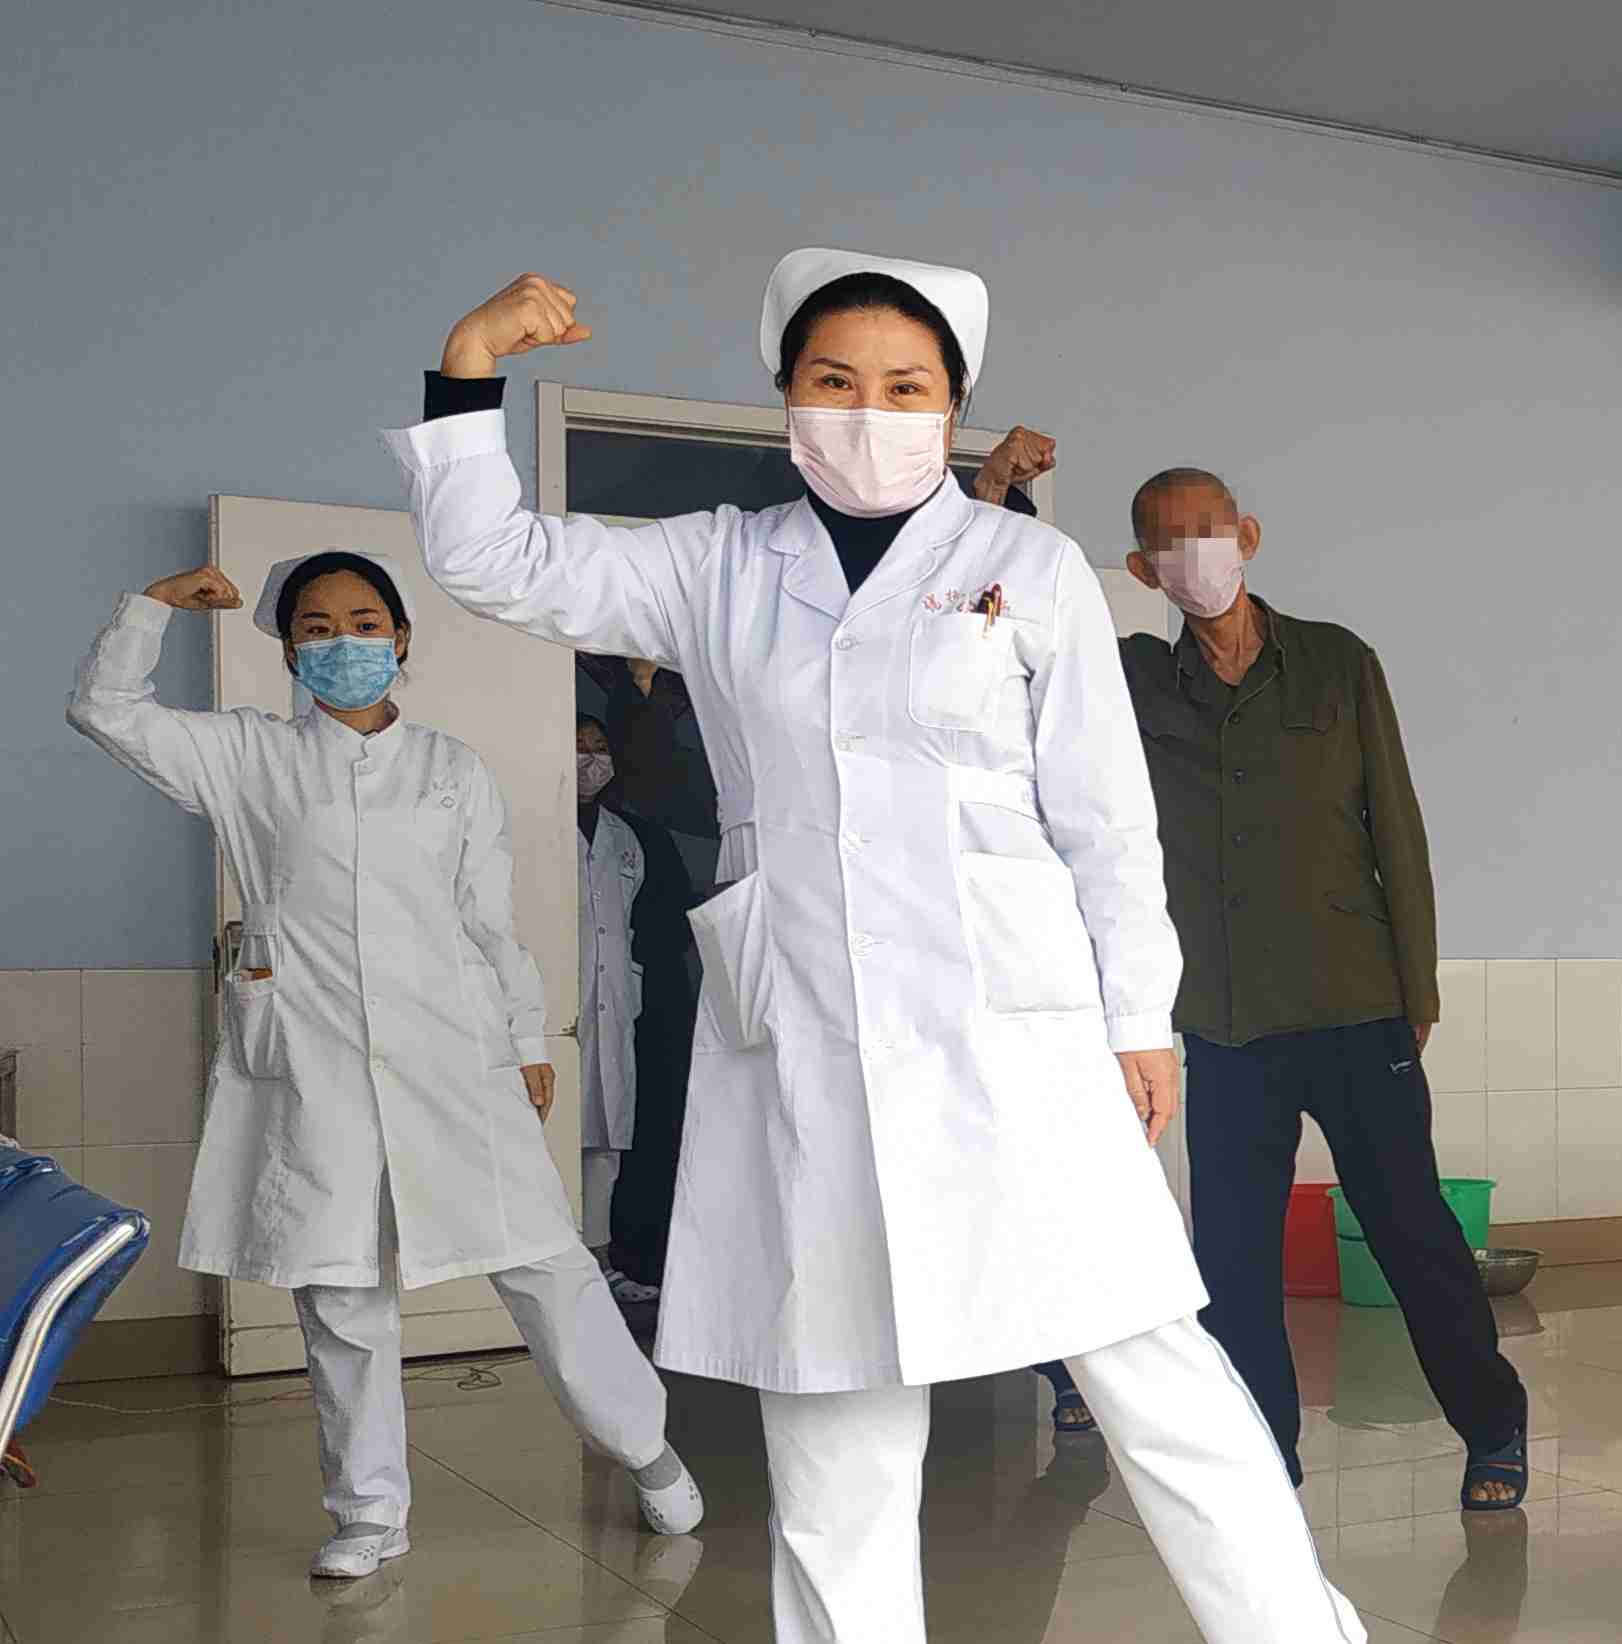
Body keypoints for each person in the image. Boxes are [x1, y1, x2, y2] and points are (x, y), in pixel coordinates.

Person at [385, 255, 1365, 1643]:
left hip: (1016, 1031)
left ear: (951, 407)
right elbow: (493, 561)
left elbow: (1103, 815)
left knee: (1151, 1367)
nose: (867, 411)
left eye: (906, 387)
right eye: (833, 380)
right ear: (786, 396)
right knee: (833, 1405)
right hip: (807, 1027)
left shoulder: (1026, 567)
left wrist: (1137, 1014)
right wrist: (470, 362)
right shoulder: (716, 561)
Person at [67, 551, 701, 1580]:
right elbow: (105, 710)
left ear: (401, 639)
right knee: (340, 1287)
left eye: (364, 622)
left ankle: (647, 1447)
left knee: (542, 1262)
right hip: (311, 1060)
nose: (343, 643)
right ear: (288, 651)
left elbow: (486, 919)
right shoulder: (246, 756)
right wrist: (152, 607)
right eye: (315, 628)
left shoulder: (451, 769)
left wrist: (524, 1038)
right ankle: (368, 1512)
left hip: (454, 1053)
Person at [1111, 465, 1529, 1509]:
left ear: (1247, 535)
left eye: (1208, 530)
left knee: (1412, 1231)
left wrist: (1416, 988)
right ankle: (1267, 1458)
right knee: (1232, 1260)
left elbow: (1397, 825)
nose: (1193, 555)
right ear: (1142, 570)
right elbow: (1012, 641)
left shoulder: (1338, 662)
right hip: (1224, 1019)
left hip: (1353, 1002)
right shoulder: (1133, 682)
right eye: (1166, 542)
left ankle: (1493, 1424)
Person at [575, 705, 699, 1304]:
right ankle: (564, 1264)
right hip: (561, 1001)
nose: (591, 760)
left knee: (606, 1138)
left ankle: (599, 1260)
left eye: (600, 748)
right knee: (558, 1132)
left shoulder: (626, 838)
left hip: (615, 1001)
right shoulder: (538, 822)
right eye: (580, 746)